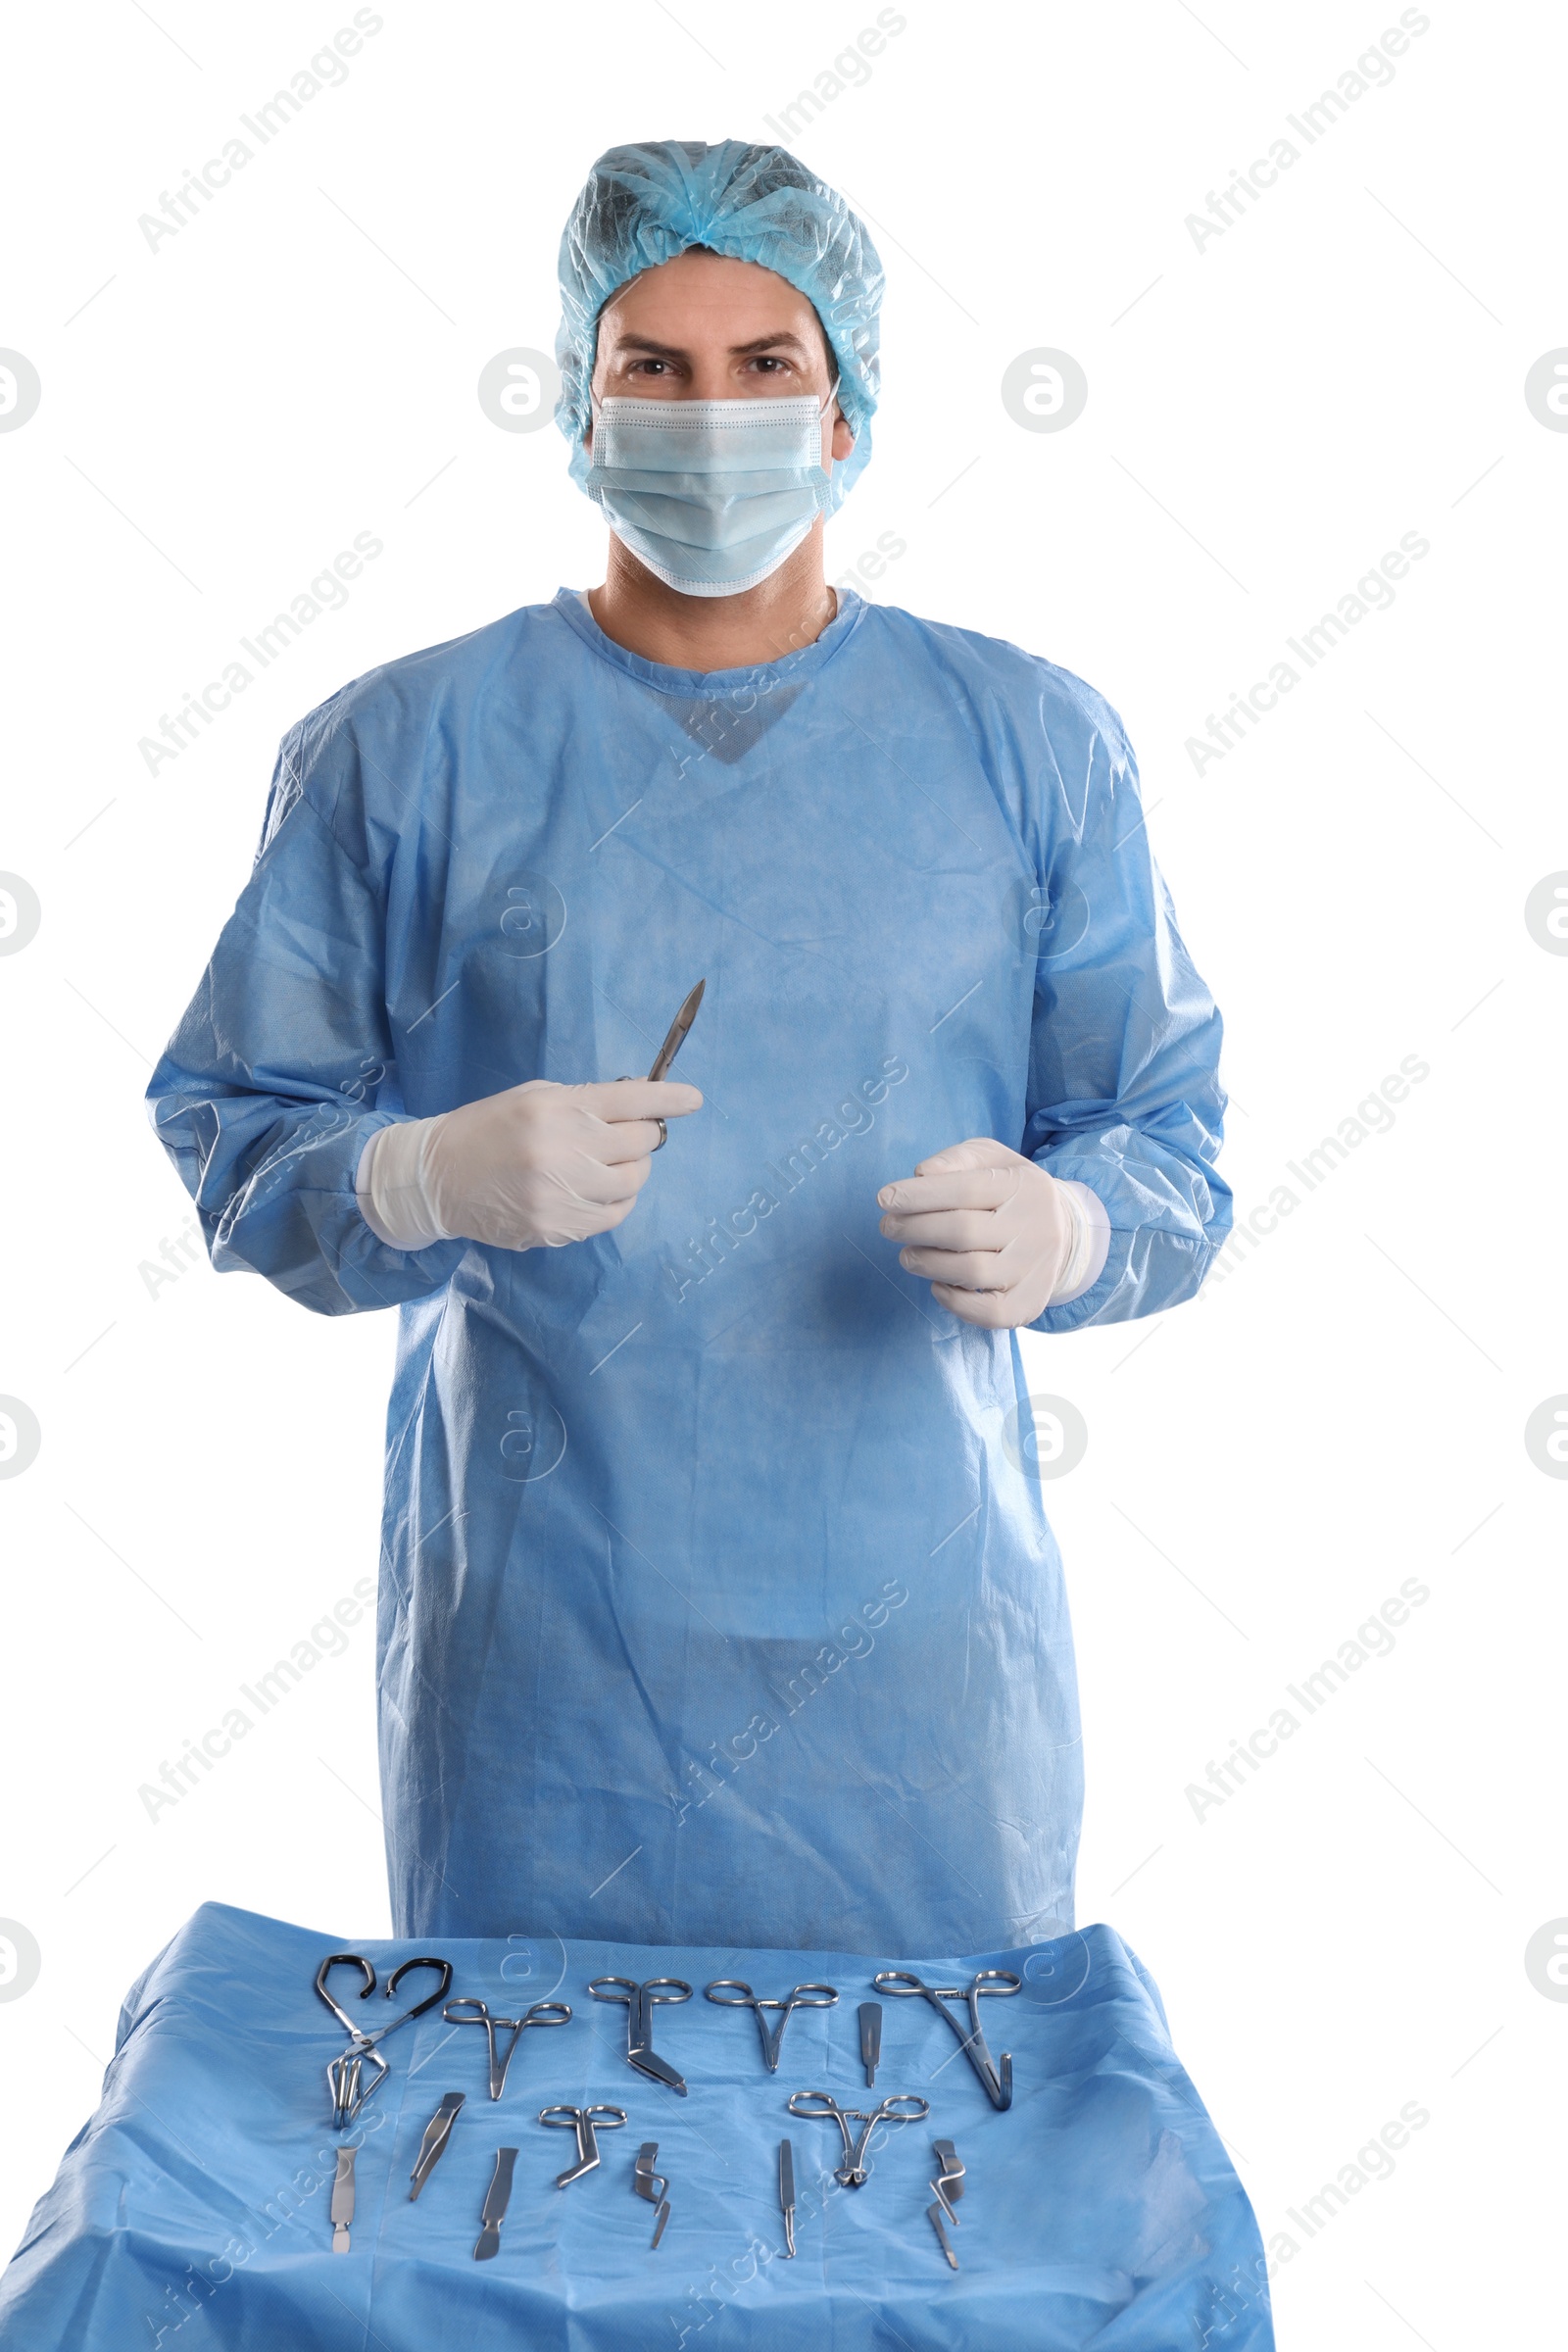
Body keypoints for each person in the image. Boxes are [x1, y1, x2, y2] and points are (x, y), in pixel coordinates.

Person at [148, 140, 1231, 1953]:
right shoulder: (408, 750)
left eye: (764, 366)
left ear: (850, 404)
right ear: (577, 401)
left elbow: (1166, 1140)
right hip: (555, 1671)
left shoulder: (1028, 743)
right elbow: (239, 1132)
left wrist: (1078, 1228)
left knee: (918, 2177)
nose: (706, 411)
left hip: (921, 1665)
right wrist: (413, 1172)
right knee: (545, 2187)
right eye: (652, 364)